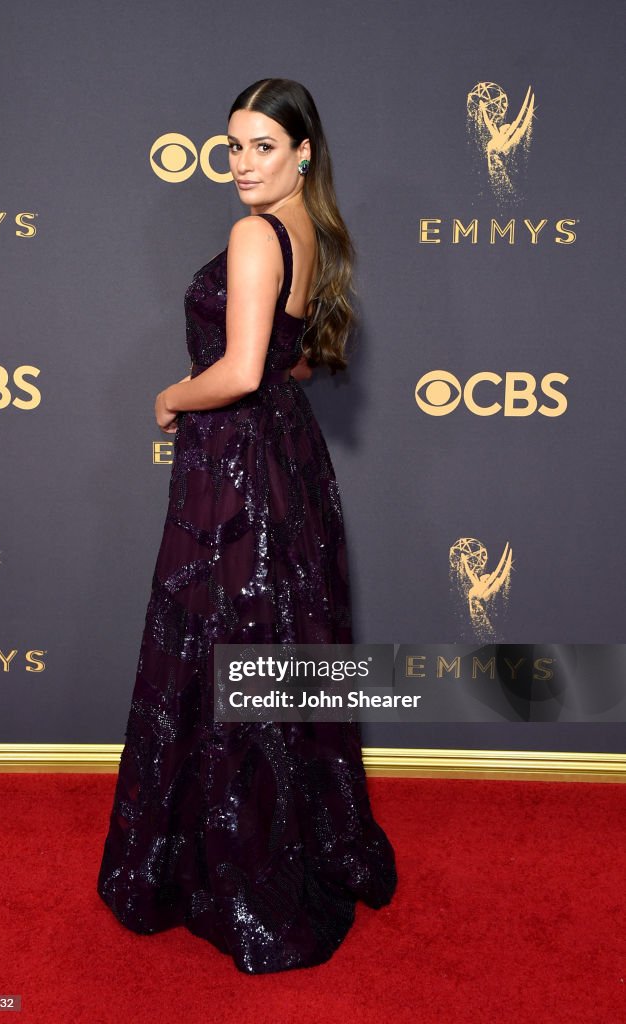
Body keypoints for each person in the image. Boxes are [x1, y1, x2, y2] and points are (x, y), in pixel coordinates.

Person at [97, 77, 397, 974]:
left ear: (302, 152)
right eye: (233, 146)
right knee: (273, 648)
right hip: (290, 461)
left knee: (227, 643)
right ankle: (299, 843)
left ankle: (238, 868)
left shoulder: (251, 233)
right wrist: (249, 378)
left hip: (235, 464)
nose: (242, 164)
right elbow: (287, 361)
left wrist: (166, 397)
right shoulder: (313, 231)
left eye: (262, 146)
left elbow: (233, 371)